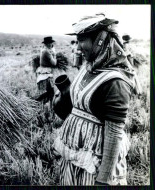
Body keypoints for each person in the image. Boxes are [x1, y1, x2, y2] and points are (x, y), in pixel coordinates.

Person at [52, 13, 138, 185]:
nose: (77, 48)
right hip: (76, 158)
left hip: (95, 166)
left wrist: (104, 179)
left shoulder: (115, 82)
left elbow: (114, 134)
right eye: (76, 41)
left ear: (100, 40)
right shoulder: (88, 67)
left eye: (82, 40)